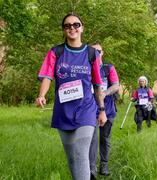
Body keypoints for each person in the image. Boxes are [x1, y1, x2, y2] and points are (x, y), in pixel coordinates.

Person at [35, 13, 107, 180]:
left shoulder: (91, 54)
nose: (72, 28)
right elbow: (47, 76)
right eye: (67, 26)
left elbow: (97, 85)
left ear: (82, 27)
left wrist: (102, 109)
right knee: (72, 158)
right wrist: (41, 95)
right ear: (63, 30)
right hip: (63, 111)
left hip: (86, 109)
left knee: (81, 152)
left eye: (76, 24)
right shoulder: (56, 52)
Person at [89, 43, 119, 179]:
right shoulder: (85, 68)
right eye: (93, 51)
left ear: (103, 53)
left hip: (109, 110)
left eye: (98, 51)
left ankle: (104, 165)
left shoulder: (108, 68)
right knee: (91, 140)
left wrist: (105, 93)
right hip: (90, 111)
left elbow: (116, 85)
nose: (96, 53)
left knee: (104, 139)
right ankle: (91, 169)